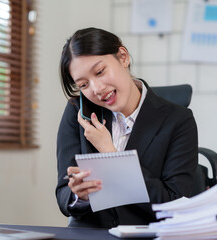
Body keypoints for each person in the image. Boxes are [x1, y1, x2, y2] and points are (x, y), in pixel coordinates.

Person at [55, 27, 198, 228]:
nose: (97, 89)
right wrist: (81, 196)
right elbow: (63, 194)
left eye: (100, 72)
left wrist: (111, 154)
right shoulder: (77, 113)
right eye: (84, 85)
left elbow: (172, 203)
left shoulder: (178, 120)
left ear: (123, 57)